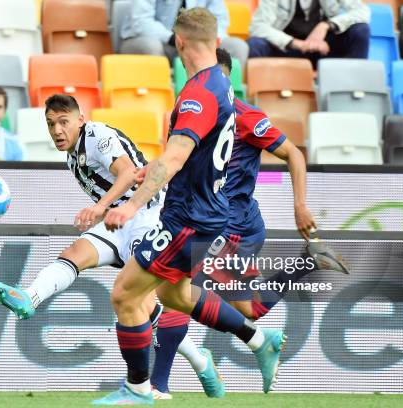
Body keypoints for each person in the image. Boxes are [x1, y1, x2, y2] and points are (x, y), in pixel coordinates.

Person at [94, 8, 285, 405]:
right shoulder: (221, 83)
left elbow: (178, 156)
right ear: (217, 42)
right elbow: (195, 153)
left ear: (178, 42)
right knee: (175, 296)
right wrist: (160, 169)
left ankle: (138, 390)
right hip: (207, 215)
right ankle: (258, 339)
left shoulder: (198, 91)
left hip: (189, 220)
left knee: (125, 294)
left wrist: (132, 206)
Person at [0, 93, 225, 397]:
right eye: (50, 124)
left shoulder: (96, 134)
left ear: (80, 120)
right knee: (75, 255)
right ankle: (30, 298)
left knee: (145, 301)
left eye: (63, 122)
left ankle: (198, 363)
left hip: (148, 214)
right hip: (119, 221)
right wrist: (105, 210)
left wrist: (100, 208)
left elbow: (128, 173)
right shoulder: (73, 156)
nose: (57, 130)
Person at [149, 48, 349, 400]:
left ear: (225, 78)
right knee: (249, 308)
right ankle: (306, 263)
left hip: (233, 225)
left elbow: (294, 154)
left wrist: (299, 205)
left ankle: (158, 385)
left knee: (177, 288)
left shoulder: (244, 115)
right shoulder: (191, 110)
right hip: (214, 221)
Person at [120, 0, 249, 70]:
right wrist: (173, 38)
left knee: (238, 47)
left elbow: (220, 20)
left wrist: (204, 41)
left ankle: (224, 100)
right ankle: (161, 97)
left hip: (194, 42)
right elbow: (141, 22)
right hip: (153, 40)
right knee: (151, 46)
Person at [247, 0, 370, 66]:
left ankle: (353, 87)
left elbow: (363, 12)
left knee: (360, 30)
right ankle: (259, 94)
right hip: (287, 50)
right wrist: (294, 43)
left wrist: (326, 25)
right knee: (255, 44)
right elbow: (257, 26)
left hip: (324, 49)